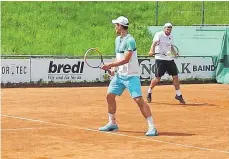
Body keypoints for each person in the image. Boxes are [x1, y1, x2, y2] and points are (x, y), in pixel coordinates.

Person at [99, 16, 158, 136]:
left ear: (120, 26)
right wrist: (113, 69)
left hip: (131, 75)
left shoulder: (130, 40)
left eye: (116, 25)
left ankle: (152, 127)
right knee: (109, 96)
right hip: (119, 76)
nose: (115, 27)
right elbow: (119, 57)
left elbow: (126, 59)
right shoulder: (117, 40)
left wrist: (110, 64)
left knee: (138, 100)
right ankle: (112, 123)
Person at [147, 22, 186, 104]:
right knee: (157, 79)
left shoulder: (171, 36)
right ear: (164, 28)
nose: (168, 31)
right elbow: (154, 43)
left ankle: (178, 94)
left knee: (175, 77)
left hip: (169, 59)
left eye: (170, 29)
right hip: (160, 59)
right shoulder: (159, 34)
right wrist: (151, 51)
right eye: (167, 29)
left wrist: (174, 53)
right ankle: (149, 91)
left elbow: (171, 46)